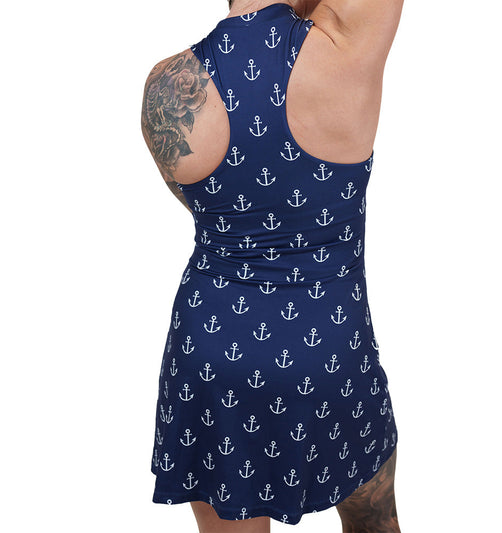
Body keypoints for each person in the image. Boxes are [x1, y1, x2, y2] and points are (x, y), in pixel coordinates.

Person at [140, 0, 404, 531]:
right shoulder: (345, 47)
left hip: (212, 355)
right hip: (329, 351)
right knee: (373, 522)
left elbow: (206, 207)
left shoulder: (168, 87)